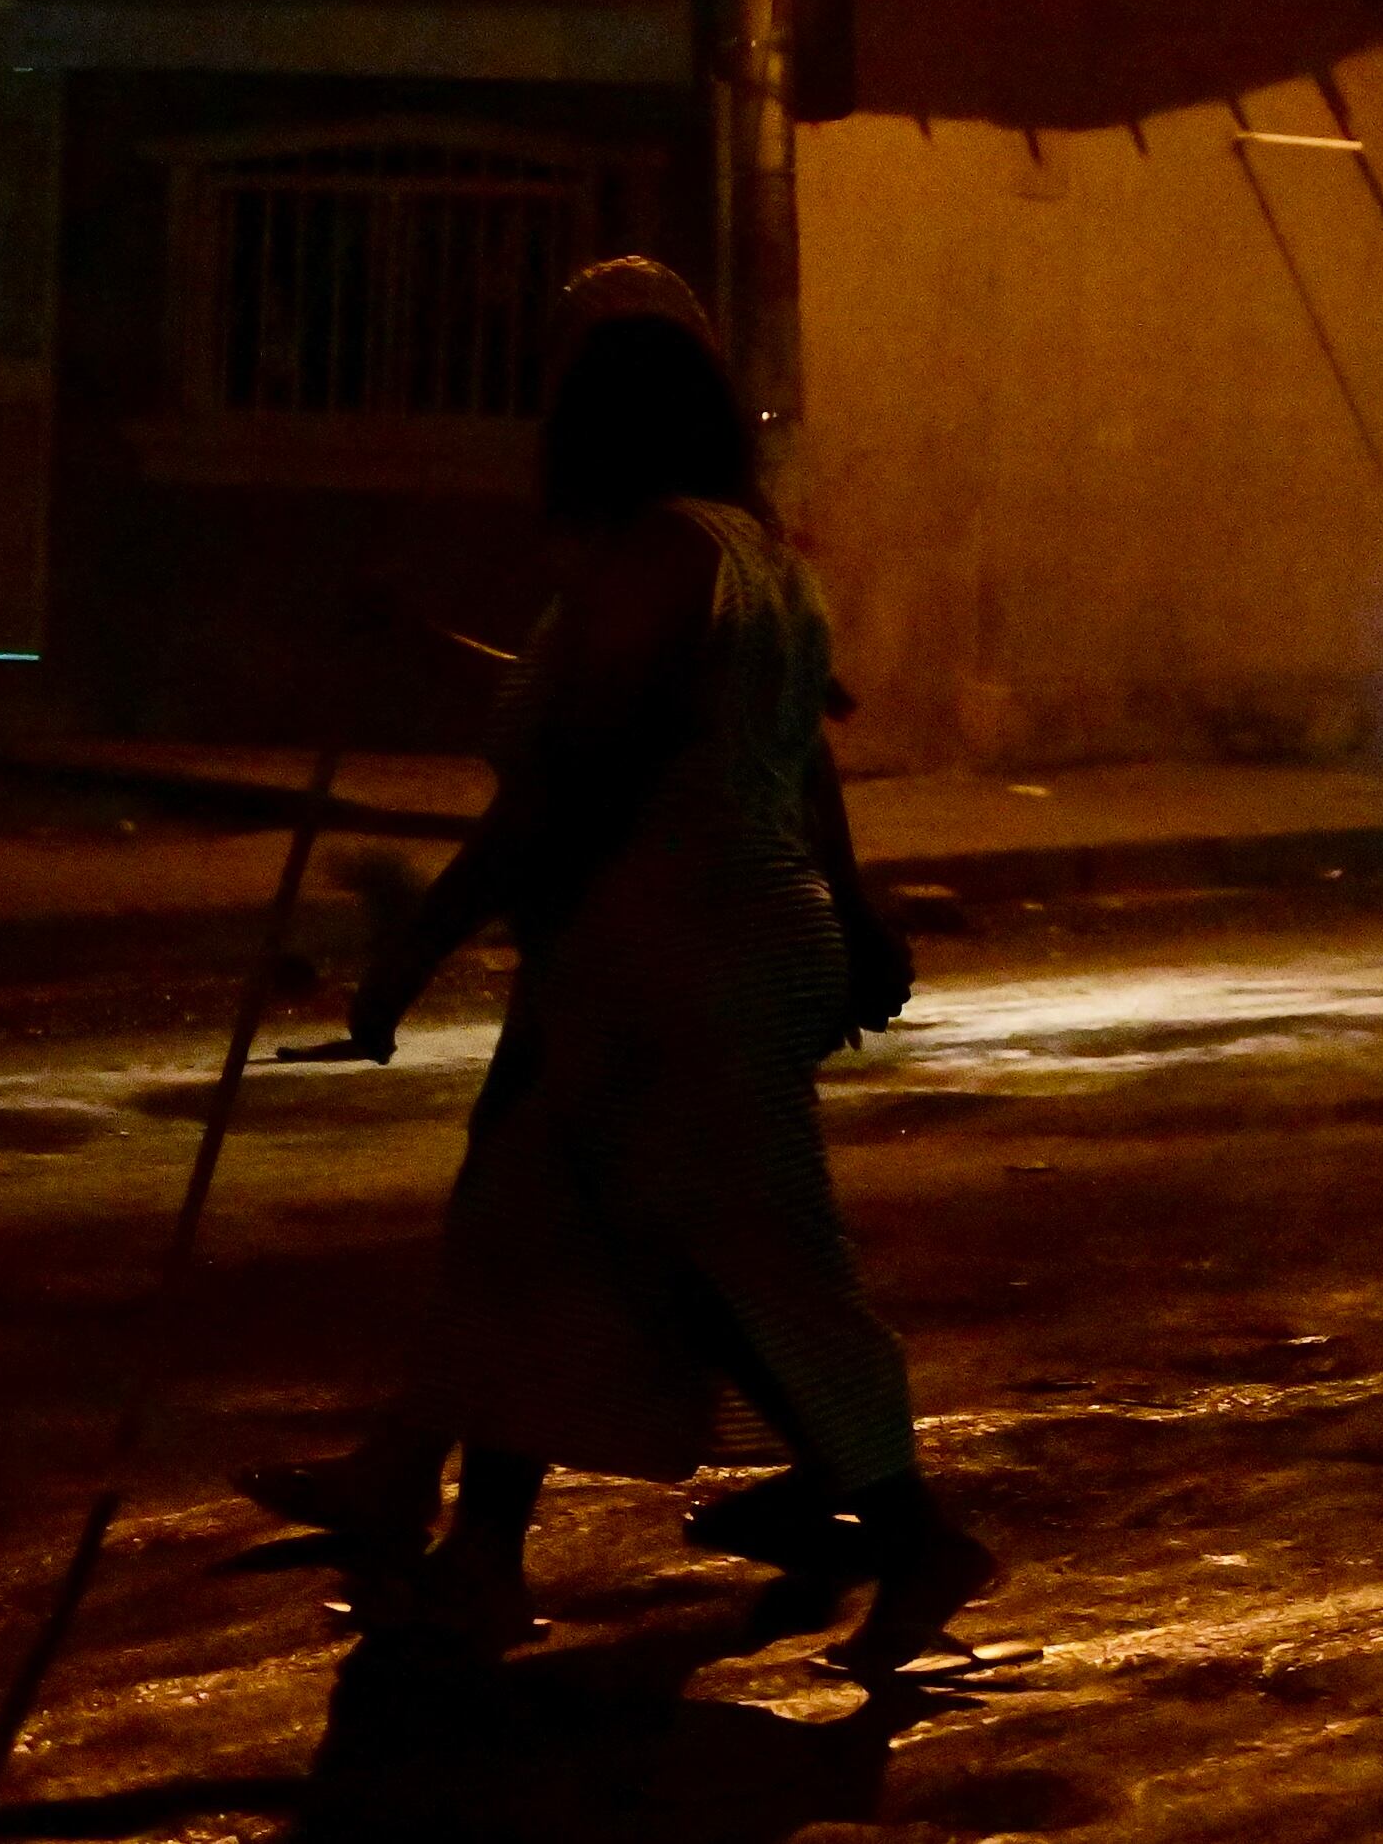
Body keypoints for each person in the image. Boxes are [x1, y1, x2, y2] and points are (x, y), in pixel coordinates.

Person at [237, 259, 986, 1674]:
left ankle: (908, 1529)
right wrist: (852, 912)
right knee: (541, 1234)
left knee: (730, 1263)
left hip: (675, 953)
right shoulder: (749, 558)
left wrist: (414, 947)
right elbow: (767, 753)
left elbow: (562, 785)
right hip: (710, 944)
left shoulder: (659, 559)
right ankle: (468, 1545)